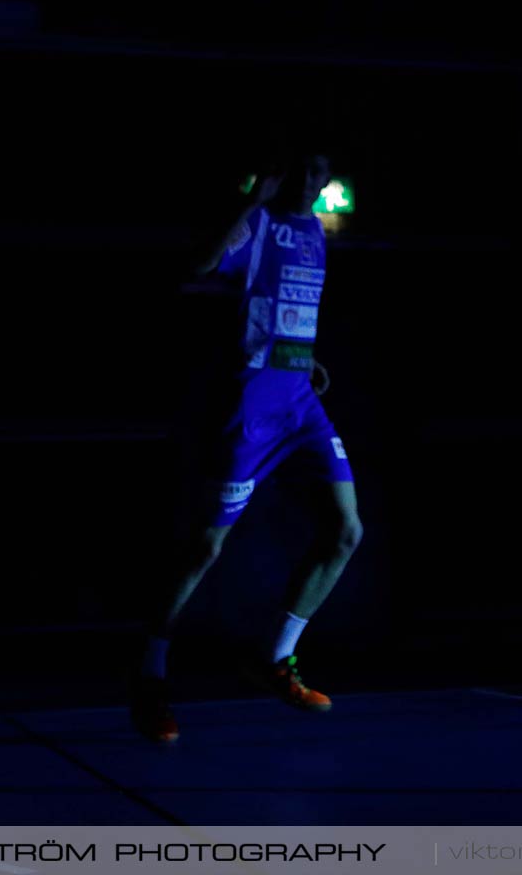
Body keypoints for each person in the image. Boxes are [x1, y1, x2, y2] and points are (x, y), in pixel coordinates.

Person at [130, 147, 364, 743]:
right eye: (303, 170)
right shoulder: (257, 222)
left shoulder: (315, 229)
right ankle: (150, 676)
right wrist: (250, 201)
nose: (312, 182)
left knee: (346, 531)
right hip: (250, 413)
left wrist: (303, 360)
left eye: (320, 172)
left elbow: (285, 307)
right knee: (205, 550)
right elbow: (201, 264)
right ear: (282, 173)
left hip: (300, 404)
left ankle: (276, 658)